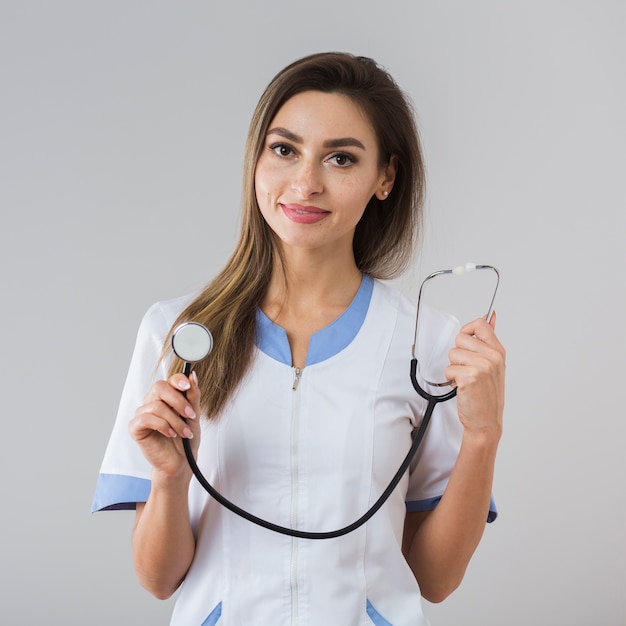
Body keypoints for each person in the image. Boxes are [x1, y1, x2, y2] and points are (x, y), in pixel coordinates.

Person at [92, 51, 505, 626]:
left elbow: (434, 580)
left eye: (340, 158)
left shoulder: (428, 344)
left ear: (385, 177)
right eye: (284, 150)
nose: (305, 183)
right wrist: (168, 479)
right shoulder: (177, 334)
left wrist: (483, 436)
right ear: (257, 160)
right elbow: (160, 580)